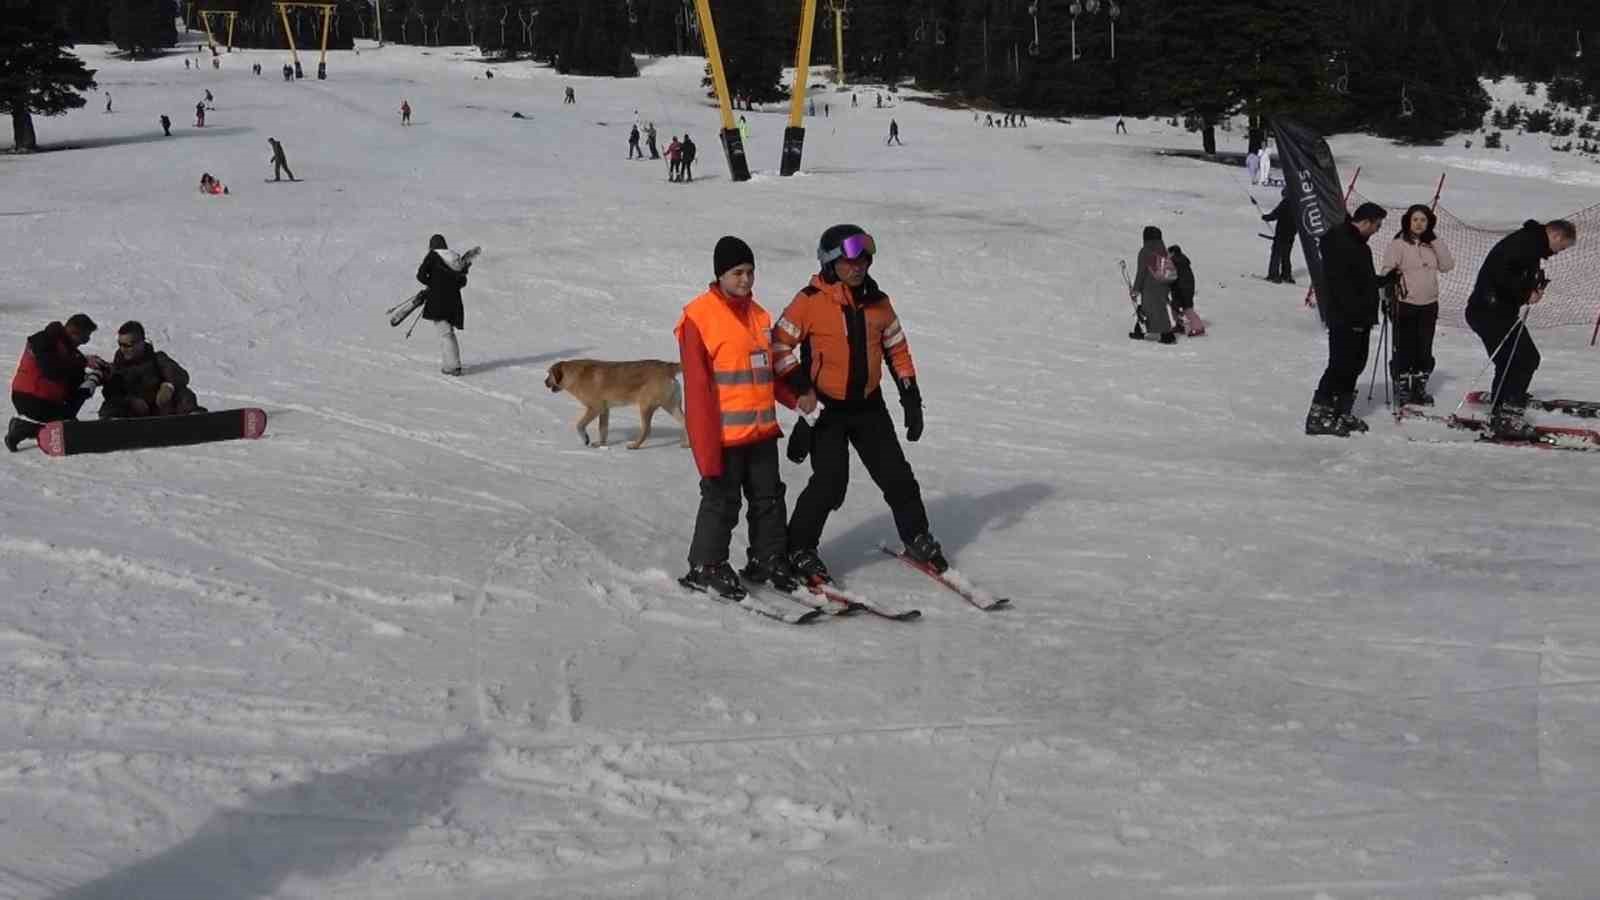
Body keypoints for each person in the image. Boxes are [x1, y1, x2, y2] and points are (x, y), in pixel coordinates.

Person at [771, 225, 947, 583]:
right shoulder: (810, 301)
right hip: (828, 410)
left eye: (864, 259)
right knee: (830, 484)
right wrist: (801, 387)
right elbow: (778, 346)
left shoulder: (878, 302)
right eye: (850, 261)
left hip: (869, 406)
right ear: (831, 263)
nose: (859, 267)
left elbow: (896, 347)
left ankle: (916, 535)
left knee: (897, 476)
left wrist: (910, 396)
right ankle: (799, 547)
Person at [676, 237, 800, 599]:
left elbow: (768, 373)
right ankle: (706, 565)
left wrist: (797, 399)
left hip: (761, 431)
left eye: (750, 272)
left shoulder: (759, 315)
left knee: (769, 498)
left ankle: (768, 558)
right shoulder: (698, 317)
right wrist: (705, 449)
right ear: (720, 274)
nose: (745, 279)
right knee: (721, 501)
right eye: (737, 273)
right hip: (724, 437)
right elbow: (697, 391)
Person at [1464, 218, 1578, 435]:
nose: (1558, 252)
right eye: (1561, 247)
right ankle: (1507, 413)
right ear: (1556, 236)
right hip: (1490, 311)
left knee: (1509, 360)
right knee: (1525, 358)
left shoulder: (1530, 244)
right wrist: (1526, 293)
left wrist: (1531, 287)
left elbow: (1513, 274)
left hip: (1492, 310)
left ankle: (1503, 407)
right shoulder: (1526, 244)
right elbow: (1502, 274)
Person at [1305, 202, 1389, 437]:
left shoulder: (1359, 246)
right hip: (1346, 316)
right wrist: (1353, 312)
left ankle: (1341, 411)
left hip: (1360, 317)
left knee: (1355, 365)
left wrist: (1383, 281)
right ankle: (1319, 416)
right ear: (1366, 222)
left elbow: (1361, 279)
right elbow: (1341, 284)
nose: (1377, 231)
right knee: (1339, 366)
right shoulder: (1341, 242)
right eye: (1377, 226)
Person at [1380, 204, 1456, 406]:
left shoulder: (1432, 244)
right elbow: (1386, 271)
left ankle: (1419, 387)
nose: (1419, 223)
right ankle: (1403, 386)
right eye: (1415, 220)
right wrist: (1386, 297)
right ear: (1408, 221)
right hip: (1404, 303)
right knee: (1404, 346)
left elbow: (1448, 266)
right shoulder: (1398, 244)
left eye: (1423, 220)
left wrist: (1435, 241)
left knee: (1424, 347)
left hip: (1429, 304)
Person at [6, 314, 106, 452]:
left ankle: (30, 425)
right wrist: (86, 366)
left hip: (29, 397)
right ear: (73, 332)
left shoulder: (59, 344)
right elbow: (52, 371)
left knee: (85, 383)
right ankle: (26, 428)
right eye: (84, 338)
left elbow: (69, 373)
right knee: (68, 426)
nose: (85, 342)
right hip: (34, 398)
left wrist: (95, 373)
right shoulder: (45, 340)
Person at [98, 322, 202, 418]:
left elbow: (181, 375)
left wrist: (169, 386)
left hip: (161, 410)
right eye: (120, 344)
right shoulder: (117, 367)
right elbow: (110, 392)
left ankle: (193, 418)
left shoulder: (157, 359)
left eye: (127, 345)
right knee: (112, 403)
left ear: (141, 343)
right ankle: (112, 425)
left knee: (183, 393)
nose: (122, 349)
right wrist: (130, 401)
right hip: (133, 415)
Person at [417, 234, 468, 376]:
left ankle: (453, 366)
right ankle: (450, 364)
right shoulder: (456, 258)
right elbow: (462, 281)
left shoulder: (433, 256)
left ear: (432, 246)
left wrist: (434, 284)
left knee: (445, 334)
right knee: (448, 333)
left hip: (438, 301)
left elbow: (420, 275)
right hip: (454, 301)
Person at [1130, 226, 1179, 344]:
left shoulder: (1145, 251)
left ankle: (1166, 335)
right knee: (1158, 308)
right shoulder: (1163, 250)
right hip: (1164, 284)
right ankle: (1157, 332)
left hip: (1150, 286)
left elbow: (1141, 272)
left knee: (1151, 309)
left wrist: (1135, 289)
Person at [1261, 190, 1297, 283]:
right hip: (1291, 236)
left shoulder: (1285, 203)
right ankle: (1286, 275)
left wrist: (1266, 217)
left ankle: (1273, 275)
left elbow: (1275, 214)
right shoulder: (1298, 205)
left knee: (1276, 255)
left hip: (1281, 234)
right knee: (1286, 256)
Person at [1168, 244, 1199, 334]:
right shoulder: (1183, 260)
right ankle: (1179, 325)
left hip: (1180, 289)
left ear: (1172, 252)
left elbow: (1172, 276)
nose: (1167, 255)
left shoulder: (1174, 261)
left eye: (1168, 253)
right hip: (1187, 288)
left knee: (1186, 308)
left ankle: (1198, 327)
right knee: (1179, 306)